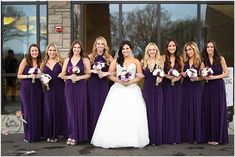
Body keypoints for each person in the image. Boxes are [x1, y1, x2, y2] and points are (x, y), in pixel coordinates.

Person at [91, 40, 149, 148]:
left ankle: (132, 140)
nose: (125, 50)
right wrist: (120, 81)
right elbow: (109, 75)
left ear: (131, 49)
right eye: (123, 49)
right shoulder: (116, 61)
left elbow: (139, 75)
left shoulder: (136, 61)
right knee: (116, 114)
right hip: (118, 89)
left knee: (132, 115)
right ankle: (114, 139)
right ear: (121, 50)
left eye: (127, 48)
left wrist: (129, 82)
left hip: (132, 89)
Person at [59, 41, 91, 146]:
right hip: (69, 87)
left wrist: (78, 77)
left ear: (81, 49)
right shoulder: (67, 60)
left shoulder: (85, 60)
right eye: (75, 47)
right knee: (71, 111)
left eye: (78, 47)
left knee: (80, 110)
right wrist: (70, 77)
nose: (76, 49)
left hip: (81, 87)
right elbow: (62, 75)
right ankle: (71, 134)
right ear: (72, 48)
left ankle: (78, 136)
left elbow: (88, 75)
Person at [201, 40, 229, 145]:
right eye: (208, 47)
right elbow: (202, 74)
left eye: (211, 47)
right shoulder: (204, 60)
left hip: (218, 87)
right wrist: (205, 75)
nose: (210, 49)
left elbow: (226, 73)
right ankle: (210, 136)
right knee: (209, 110)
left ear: (214, 48)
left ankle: (218, 137)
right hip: (208, 88)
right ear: (206, 49)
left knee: (217, 110)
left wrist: (214, 77)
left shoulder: (220, 59)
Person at [87, 36, 113, 139]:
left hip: (103, 85)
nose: (100, 46)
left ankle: (102, 134)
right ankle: (92, 133)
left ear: (105, 46)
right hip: (92, 84)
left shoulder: (109, 57)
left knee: (103, 107)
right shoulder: (90, 57)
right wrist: (93, 71)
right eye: (98, 44)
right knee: (93, 106)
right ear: (95, 45)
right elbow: (85, 71)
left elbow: (114, 71)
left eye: (102, 44)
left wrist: (106, 73)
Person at [17, 44, 43, 143]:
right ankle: (28, 136)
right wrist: (29, 76)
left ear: (38, 51)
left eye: (36, 50)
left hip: (37, 88)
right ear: (29, 52)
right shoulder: (25, 61)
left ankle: (36, 135)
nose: (34, 52)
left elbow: (42, 74)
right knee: (28, 111)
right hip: (26, 88)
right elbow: (19, 75)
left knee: (36, 110)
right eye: (32, 51)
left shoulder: (41, 61)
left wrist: (41, 77)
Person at [41, 43, 66, 143]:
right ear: (47, 51)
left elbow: (65, 74)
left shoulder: (61, 62)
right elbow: (41, 77)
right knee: (49, 111)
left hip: (60, 89)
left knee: (58, 110)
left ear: (57, 52)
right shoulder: (43, 63)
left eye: (54, 50)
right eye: (50, 50)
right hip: (48, 90)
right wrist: (44, 81)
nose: (52, 52)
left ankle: (56, 134)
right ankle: (49, 133)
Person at [161, 38, 183, 144]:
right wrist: (168, 76)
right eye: (169, 46)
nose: (171, 47)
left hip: (177, 87)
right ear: (167, 48)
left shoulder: (180, 59)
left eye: (173, 45)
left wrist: (178, 77)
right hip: (166, 86)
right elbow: (159, 72)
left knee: (176, 110)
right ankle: (168, 136)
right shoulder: (162, 58)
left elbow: (182, 73)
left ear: (176, 47)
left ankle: (176, 136)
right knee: (168, 109)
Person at [141, 42, 163, 145]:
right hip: (147, 89)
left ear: (156, 51)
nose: (152, 51)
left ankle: (157, 139)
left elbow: (162, 75)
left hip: (158, 89)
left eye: (153, 49)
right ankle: (149, 139)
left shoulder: (160, 62)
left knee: (157, 112)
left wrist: (160, 79)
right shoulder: (143, 62)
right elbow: (140, 75)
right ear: (147, 51)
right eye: (150, 50)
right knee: (148, 112)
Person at [181, 41, 203, 143]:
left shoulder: (200, 61)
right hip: (185, 87)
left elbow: (203, 76)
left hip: (196, 87)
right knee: (186, 109)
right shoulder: (184, 62)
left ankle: (196, 136)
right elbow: (181, 73)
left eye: (190, 49)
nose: (188, 51)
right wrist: (183, 74)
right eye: (187, 50)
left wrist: (196, 78)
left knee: (196, 109)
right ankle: (187, 136)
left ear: (194, 49)